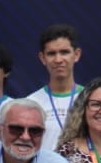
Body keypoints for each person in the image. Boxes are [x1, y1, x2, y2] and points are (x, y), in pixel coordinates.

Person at [26, 24, 84, 155]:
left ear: (76, 55)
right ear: (42, 58)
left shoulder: (91, 99)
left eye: (64, 52)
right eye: (51, 54)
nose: (58, 60)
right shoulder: (31, 103)